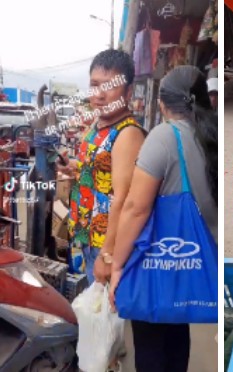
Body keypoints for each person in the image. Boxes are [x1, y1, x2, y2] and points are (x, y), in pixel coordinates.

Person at [108, 66, 218, 372]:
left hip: (159, 260)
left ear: (161, 104)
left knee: (152, 338)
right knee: (177, 330)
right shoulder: (212, 135)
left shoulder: (165, 136)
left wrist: (116, 266)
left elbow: (136, 208)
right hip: (200, 256)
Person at [58, 49, 146, 285]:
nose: (99, 94)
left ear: (128, 92)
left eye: (110, 86)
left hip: (106, 243)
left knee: (104, 313)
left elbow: (122, 199)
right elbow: (99, 172)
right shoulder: (99, 126)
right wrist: (73, 167)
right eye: (95, 85)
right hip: (88, 237)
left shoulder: (127, 134)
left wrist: (108, 257)